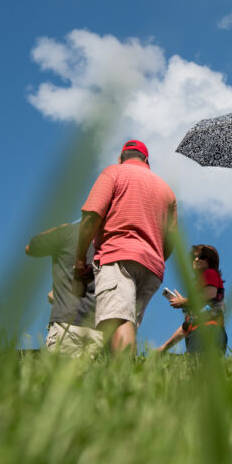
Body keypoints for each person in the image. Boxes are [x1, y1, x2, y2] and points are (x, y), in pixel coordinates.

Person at [75, 140, 177, 354]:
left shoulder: (114, 172)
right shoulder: (167, 190)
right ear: (147, 160)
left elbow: (91, 217)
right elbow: (172, 239)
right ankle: (116, 380)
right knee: (127, 324)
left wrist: (79, 258)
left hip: (118, 256)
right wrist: (155, 257)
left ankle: (125, 382)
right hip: (152, 268)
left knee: (116, 320)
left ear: (120, 158)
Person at [25, 222, 102, 357]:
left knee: (61, 377)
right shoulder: (111, 239)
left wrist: (58, 229)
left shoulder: (67, 233)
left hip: (67, 325)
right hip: (100, 329)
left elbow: (31, 247)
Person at [158, 245, 227, 354]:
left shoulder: (209, 273)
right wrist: (164, 347)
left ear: (211, 260)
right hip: (195, 333)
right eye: (193, 257)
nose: (196, 259)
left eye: (202, 256)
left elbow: (209, 295)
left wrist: (183, 301)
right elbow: (186, 326)